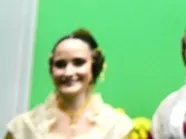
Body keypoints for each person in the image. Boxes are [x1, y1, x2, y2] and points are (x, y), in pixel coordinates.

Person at [5, 29, 133, 139]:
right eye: (60, 64)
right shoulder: (24, 127)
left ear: (93, 68)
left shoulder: (116, 127)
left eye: (78, 62)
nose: (68, 72)